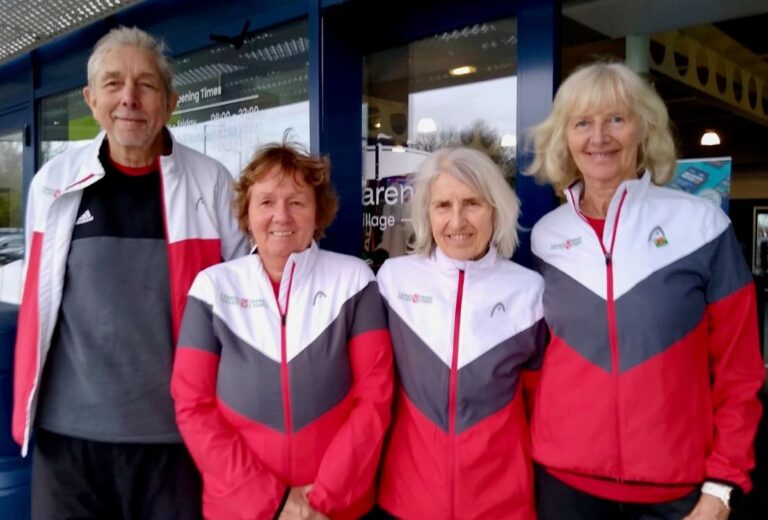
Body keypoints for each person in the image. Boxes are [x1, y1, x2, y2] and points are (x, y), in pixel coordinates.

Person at [13, 26, 247, 519]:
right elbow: (40, 299)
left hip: (178, 441)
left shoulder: (212, 184)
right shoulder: (53, 184)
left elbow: (245, 309)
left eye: (146, 85)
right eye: (114, 83)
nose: (129, 99)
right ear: (90, 98)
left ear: (171, 100)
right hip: (68, 443)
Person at [527, 61, 764, 520]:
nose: (600, 137)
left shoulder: (701, 226)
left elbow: (740, 371)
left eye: (617, 118)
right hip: (564, 487)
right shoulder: (545, 237)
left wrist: (721, 488)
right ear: (565, 138)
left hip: (676, 493)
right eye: (583, 123)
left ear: (644, 129)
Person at [171, 141, 394, 520]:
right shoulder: (211, 288)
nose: (281, 216)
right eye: (266, 202)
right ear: (246, 212)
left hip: (336, 508)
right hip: (242, 509)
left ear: (317, 211)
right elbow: (193, 405)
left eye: (297, 202)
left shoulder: (354, 280)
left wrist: (319, 502)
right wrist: (273, 501)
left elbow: (374, 399)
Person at [375, 147, 548, 519]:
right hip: (407, 501)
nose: (457, 221)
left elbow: (543, 409)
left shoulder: (530, 290)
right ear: (426, 214)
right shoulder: (393, 279)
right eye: (442, 206)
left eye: (472, 203)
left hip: (502, 505)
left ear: (496, 210)